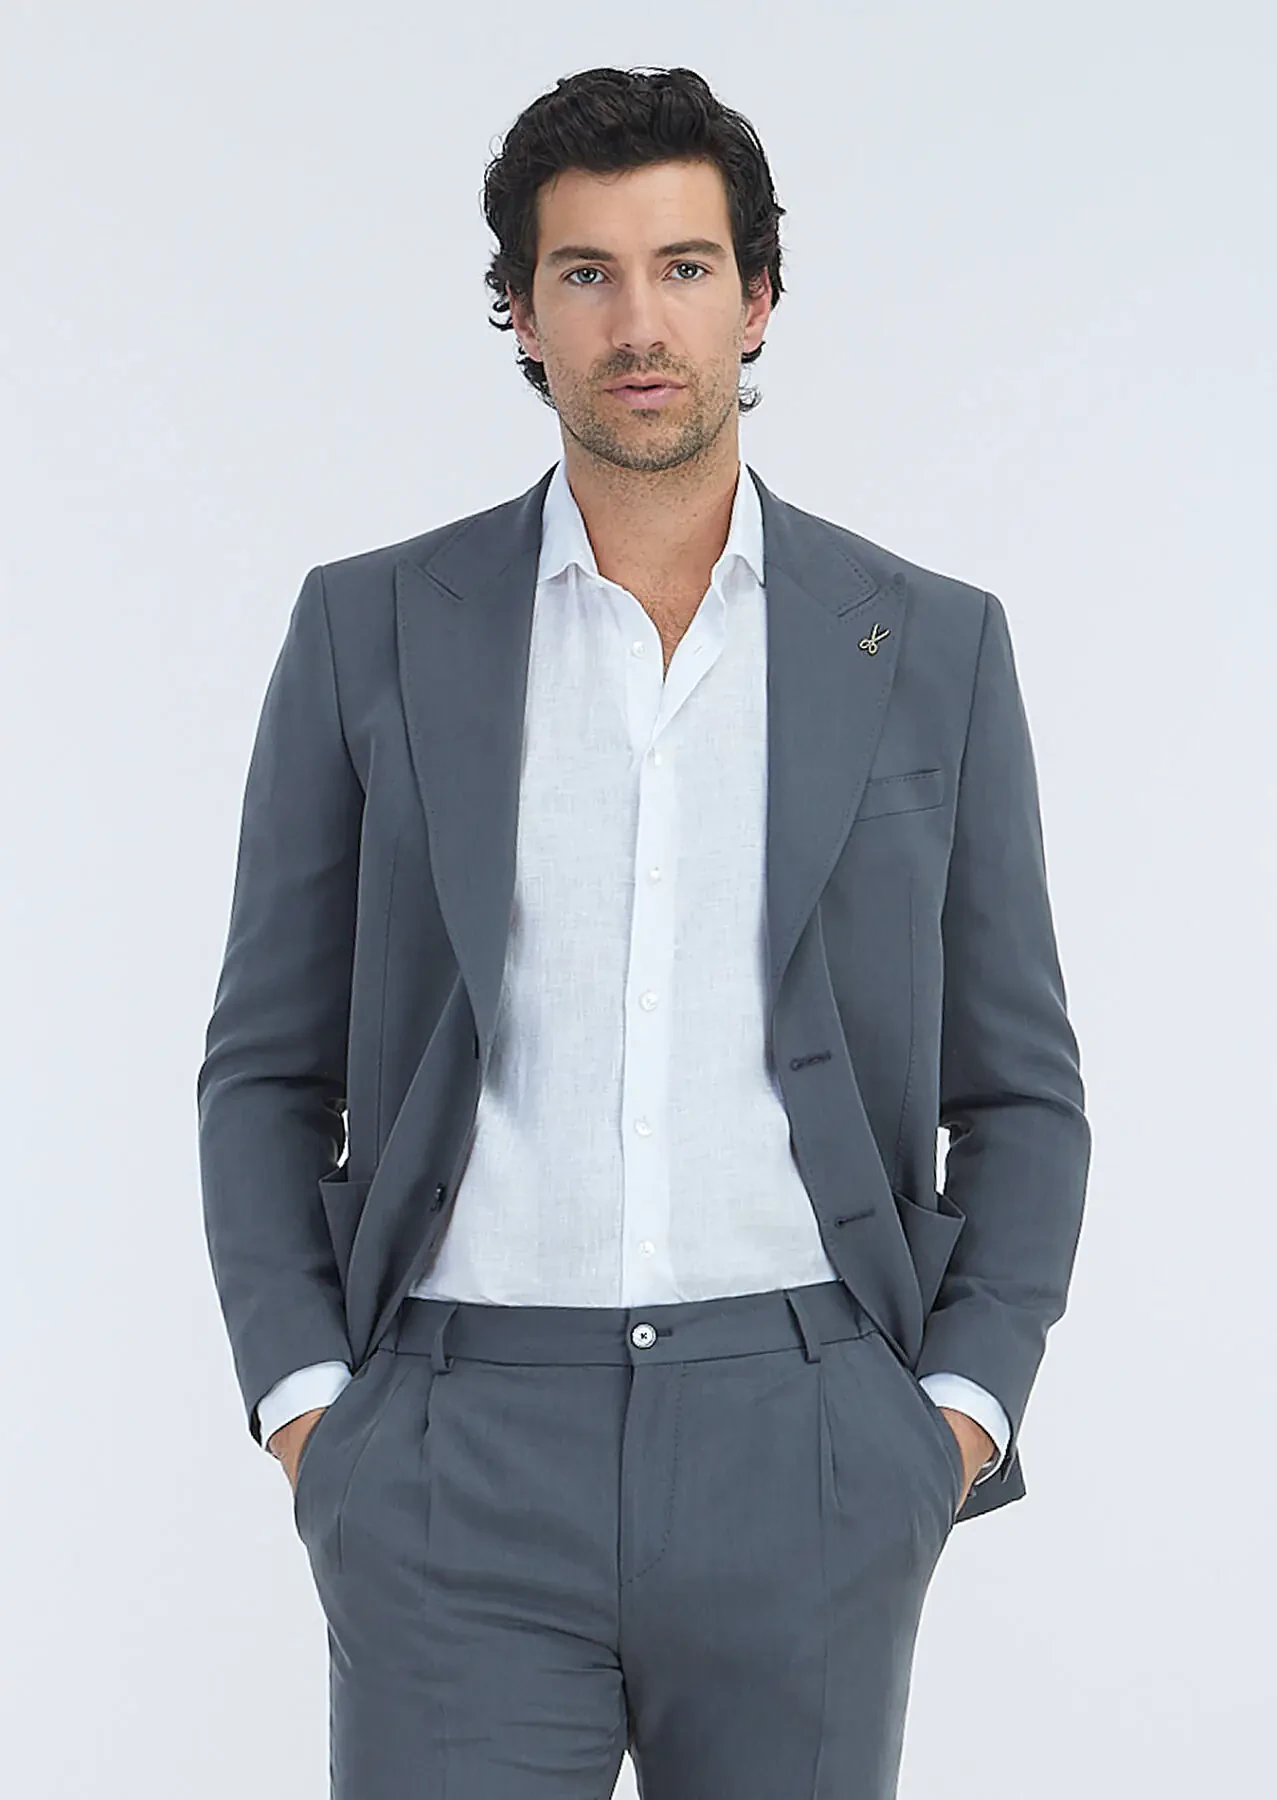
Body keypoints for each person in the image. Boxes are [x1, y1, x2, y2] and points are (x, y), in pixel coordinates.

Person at [197, 63, 1090, 1799]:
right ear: (521, 314)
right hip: (451, 1446)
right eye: (585, 273)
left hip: (810, 1436)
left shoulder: (931, 643)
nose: (638, 323)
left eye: (683, 267)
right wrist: (311, 1410)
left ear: (758, 299)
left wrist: (955, 1418)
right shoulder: (371, 628)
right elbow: (264, 1066)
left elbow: (1024, 1090)